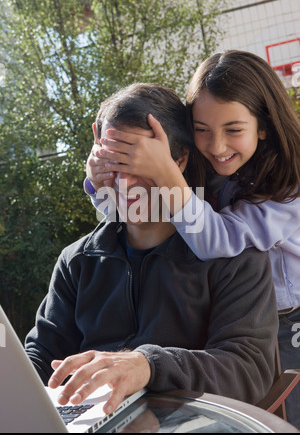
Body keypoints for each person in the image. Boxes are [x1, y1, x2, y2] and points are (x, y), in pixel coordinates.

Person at [25, 83, 278, 416]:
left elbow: (249, 369)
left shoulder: (235, 257)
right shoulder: (78, 261)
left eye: (139, 165)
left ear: (180, 160)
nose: (124, 184)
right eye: (113, 164)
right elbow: (42, 354)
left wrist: (148, 364)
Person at [86, 51, 300, 428]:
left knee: (287, 410)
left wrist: (164, 170)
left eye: (233, 129)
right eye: (202, 129)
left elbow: (216, 240)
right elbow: (138, 209)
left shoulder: (289, 191)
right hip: (244, 312)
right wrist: (101, 180)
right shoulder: (221, 165)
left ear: (263, 126)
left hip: (288, 319)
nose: (216, 146)